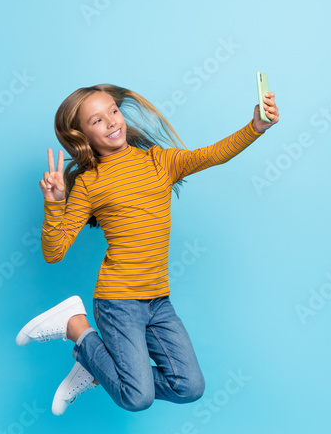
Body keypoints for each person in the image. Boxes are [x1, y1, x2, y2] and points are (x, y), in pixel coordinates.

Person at [16, 83, 279, 415]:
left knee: (189, 388)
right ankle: (76, 327)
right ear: (81, 135)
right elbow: (54, 253)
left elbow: (212, 154)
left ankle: (98, 364)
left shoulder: (159, 162)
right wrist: (54, 203)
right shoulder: (88, 182)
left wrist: (256, 128)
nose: (112, 122)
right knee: (136, 397)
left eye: (113, 111)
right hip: (118, 302)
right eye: (97, 121)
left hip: (158, 301)